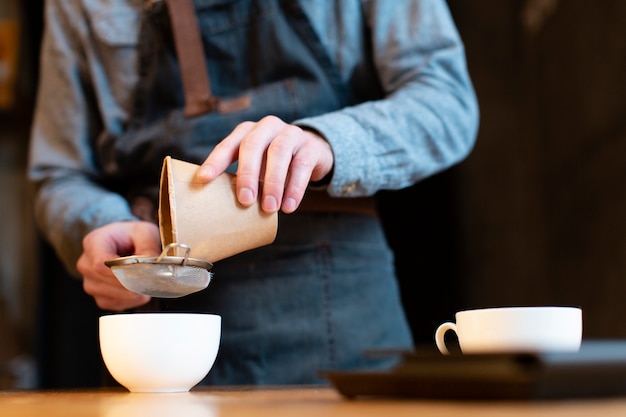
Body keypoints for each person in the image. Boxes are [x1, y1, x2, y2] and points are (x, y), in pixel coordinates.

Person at [28, 0, 479, 385]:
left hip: (337, 300)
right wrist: (103, 225)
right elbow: (58, 173)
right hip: (158, 325)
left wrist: (326, 143)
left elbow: (446, 101)